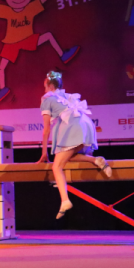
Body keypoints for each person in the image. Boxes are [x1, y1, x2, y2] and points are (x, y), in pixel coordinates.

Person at [36, 71, 111, 219]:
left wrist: (44, 153)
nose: (44, 89)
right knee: (68, 156)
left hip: (72, 126)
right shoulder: (66, 96)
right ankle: (96, 160)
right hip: (85, 124)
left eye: (45, 86)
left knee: (57, 166)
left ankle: (65, 200)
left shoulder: (47, 99)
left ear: (50, 86)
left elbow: (46, 130)